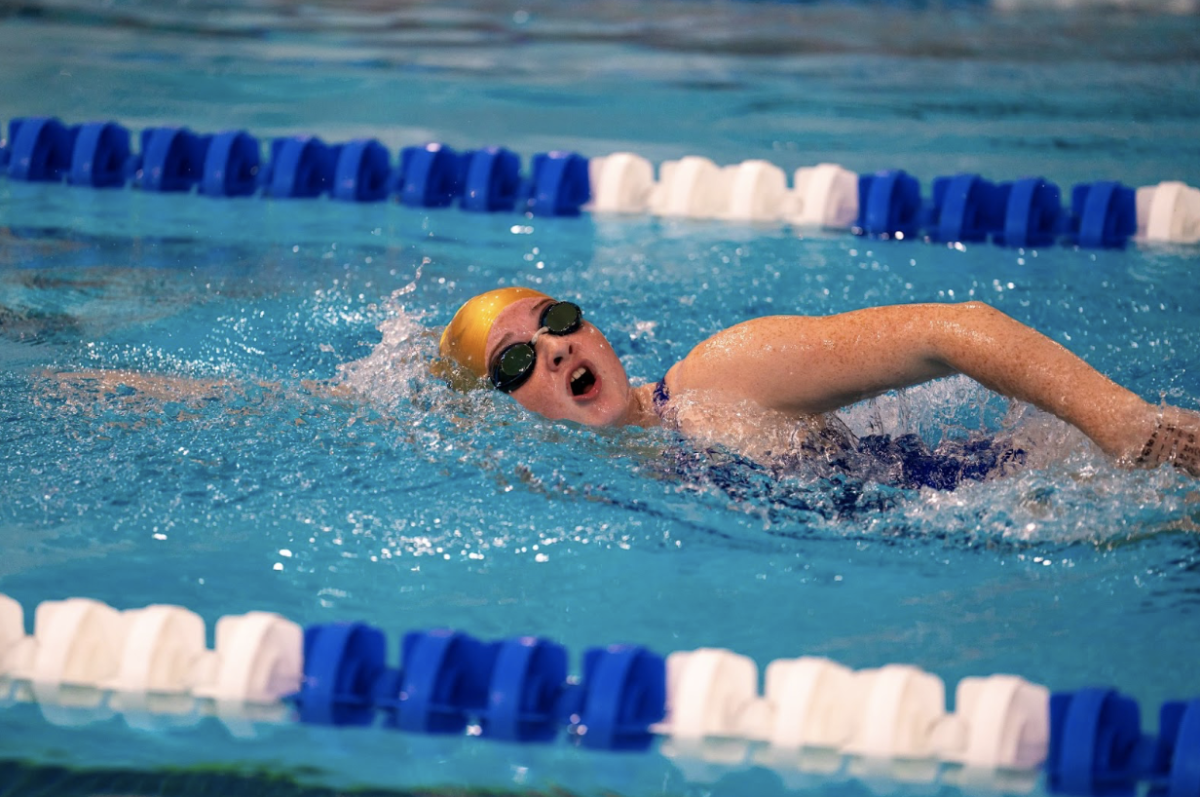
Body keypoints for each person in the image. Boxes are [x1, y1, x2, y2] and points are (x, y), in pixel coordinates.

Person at [438, 286, 1200, 484]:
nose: (554, 345)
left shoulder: (720, 376)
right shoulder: (570, 487)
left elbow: (952, 328)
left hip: (1044, 485)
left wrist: (1128, 425)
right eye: (513, 361)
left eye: (559, 318)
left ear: (596, 332)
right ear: (502, 410)